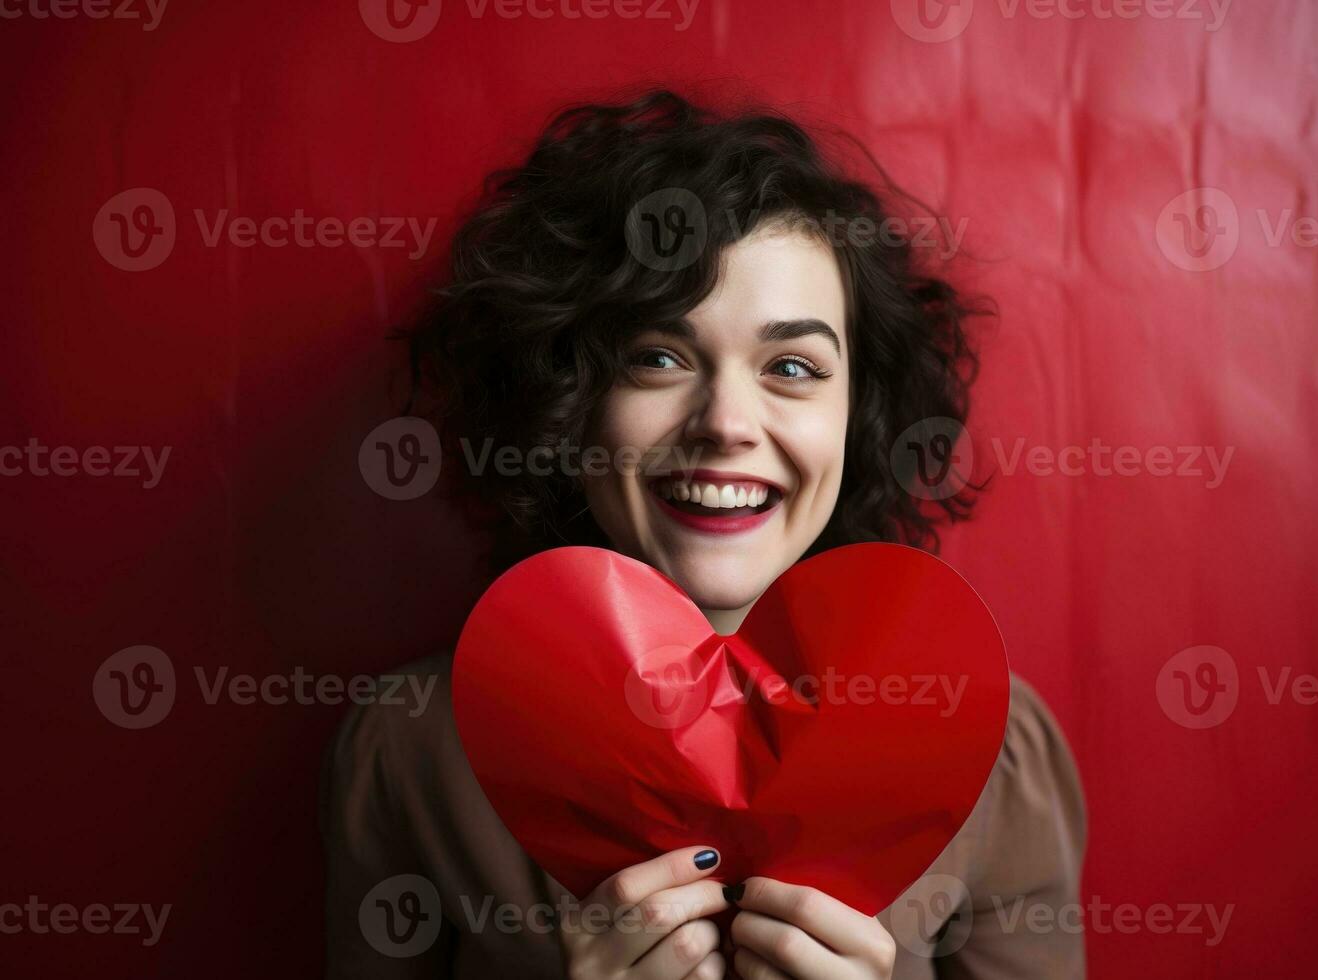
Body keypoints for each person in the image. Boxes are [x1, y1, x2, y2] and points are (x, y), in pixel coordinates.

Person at [322, 89, 1086, 979]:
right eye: (657, 357)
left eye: (792, 367)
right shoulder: (411, 749)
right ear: (570, 396)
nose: (726, 422)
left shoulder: (993, 753)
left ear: (857, 414)